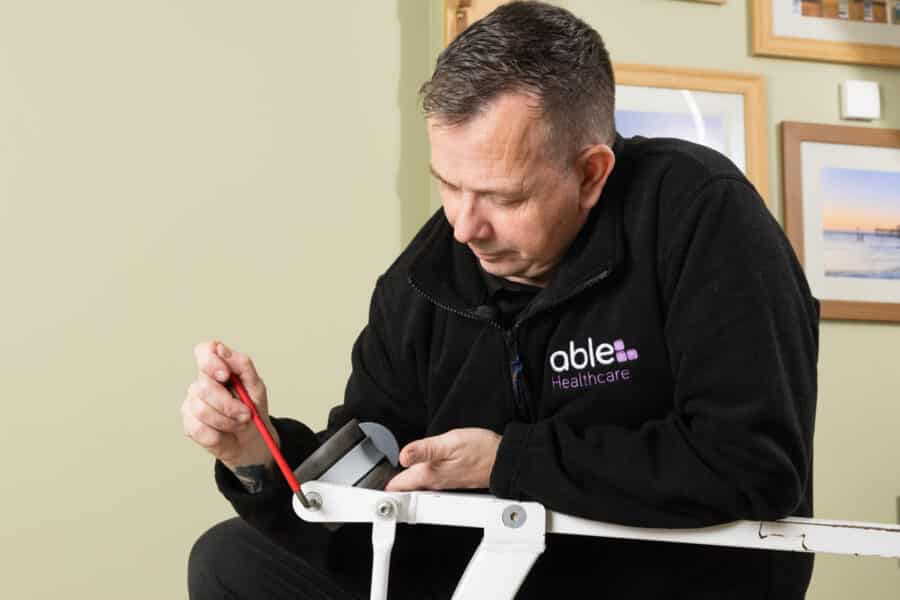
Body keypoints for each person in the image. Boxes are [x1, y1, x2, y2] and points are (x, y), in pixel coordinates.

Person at [182, 2, 819, 598]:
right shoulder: (425, 273)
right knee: (231, 559)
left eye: (505, 198)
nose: (465, 227)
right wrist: (261, 458)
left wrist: (510, 462)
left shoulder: (699, 213)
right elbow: (371, 484)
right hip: (474, 573)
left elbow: (751, 463)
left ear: (591, 174)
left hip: (661, 576)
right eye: (449, 186)